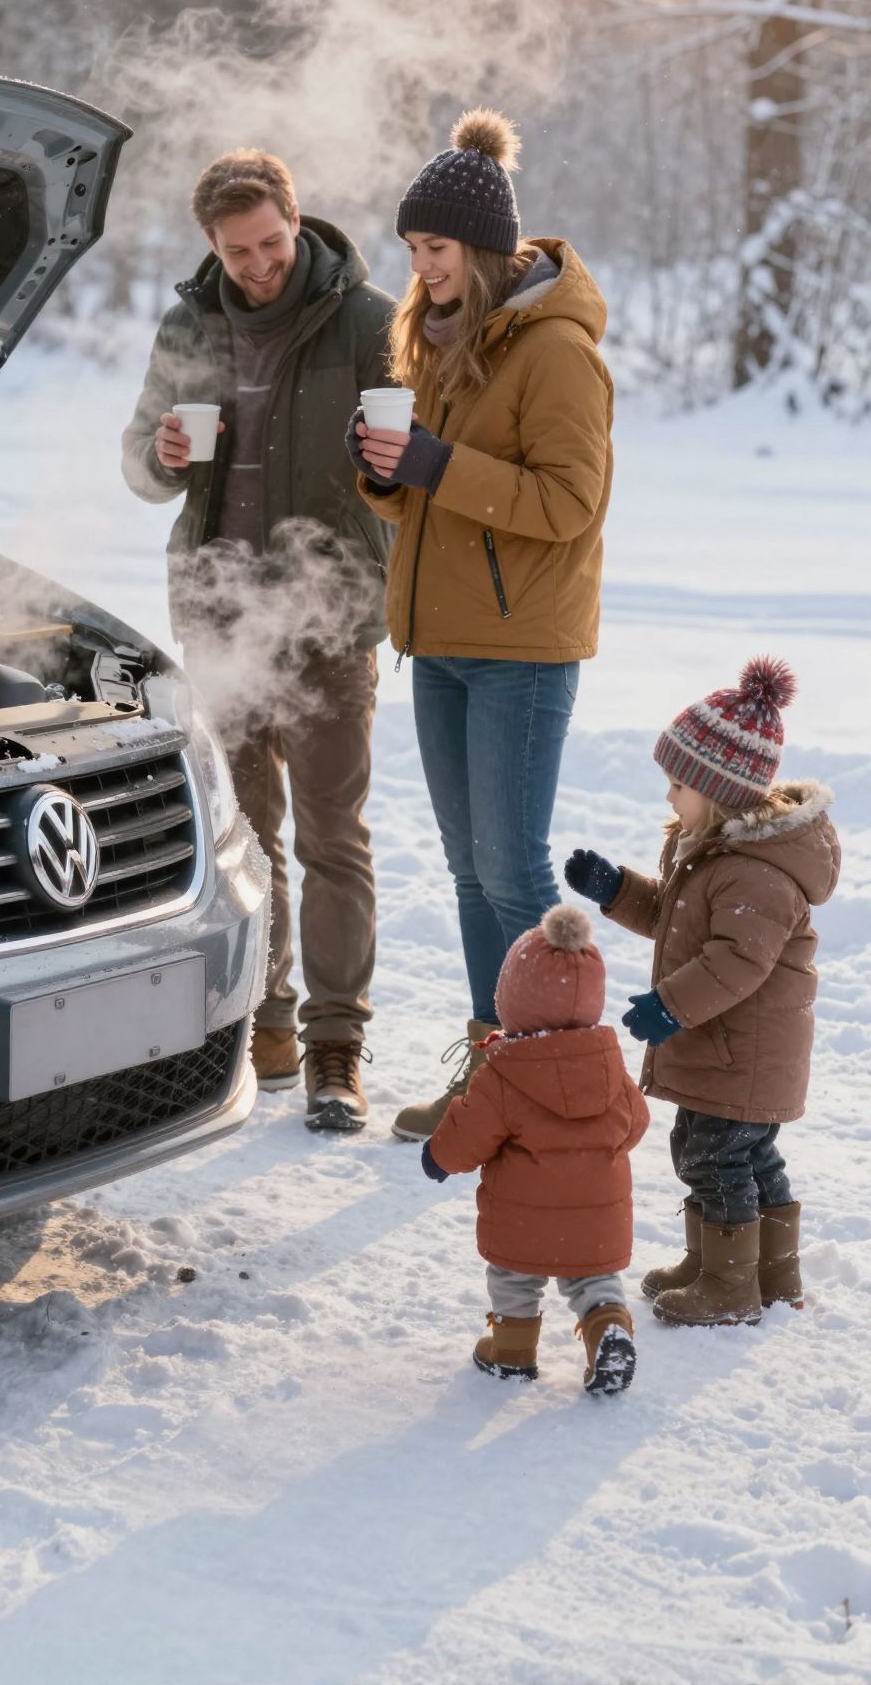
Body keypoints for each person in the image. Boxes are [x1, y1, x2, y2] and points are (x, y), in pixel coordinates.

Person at [350, 109, 614, 1143]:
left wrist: (436, 464)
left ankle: (561, 1086)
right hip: (441, 644)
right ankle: (492, 1075)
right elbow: (431, 503)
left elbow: (568, 504)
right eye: (413, 250)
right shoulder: (445, 340)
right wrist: (385, 472)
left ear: (487, 250)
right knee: (468, 871)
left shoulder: (557, 352)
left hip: (522, 653)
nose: (422, 269)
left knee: (513, 869)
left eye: (438, 249)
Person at [122, 150, 394, 1133]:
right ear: (212, 244)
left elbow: (411, 464)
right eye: (239, 251)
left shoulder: (367, 321)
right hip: (222, 617)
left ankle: (336, 1045)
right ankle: (266, 1020)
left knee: (332, 838)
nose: (260, 264)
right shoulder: (190, 325)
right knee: (244, 834)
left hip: (330, 619)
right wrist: (162, 455)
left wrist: (390, 473)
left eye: (272, 242)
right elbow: (139, 461)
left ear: (297, 218)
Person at [563, 656, 840, 1327]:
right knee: (744, 1154)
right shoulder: (714, 853)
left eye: (679, 784)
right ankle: (763, 1272)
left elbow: (736, 961)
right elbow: (675, 920)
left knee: (712, 1156)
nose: (669, 797)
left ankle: (729, 1286)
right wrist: (618, 890)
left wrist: (669, 1006)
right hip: (732, 1050)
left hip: (741, 1053)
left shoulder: (756, 875)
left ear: (719, 791)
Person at [422, 904, 649, 1394]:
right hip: (597, 1221)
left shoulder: (504, 1072)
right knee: (595, 1279)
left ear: (513, 1000)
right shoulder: (610, 1068)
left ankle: (512, 1351)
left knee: (513, 1276)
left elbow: (469, 1134)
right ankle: (607, 1327)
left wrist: (437, 1158)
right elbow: (636, 1126)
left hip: (521, 1219)